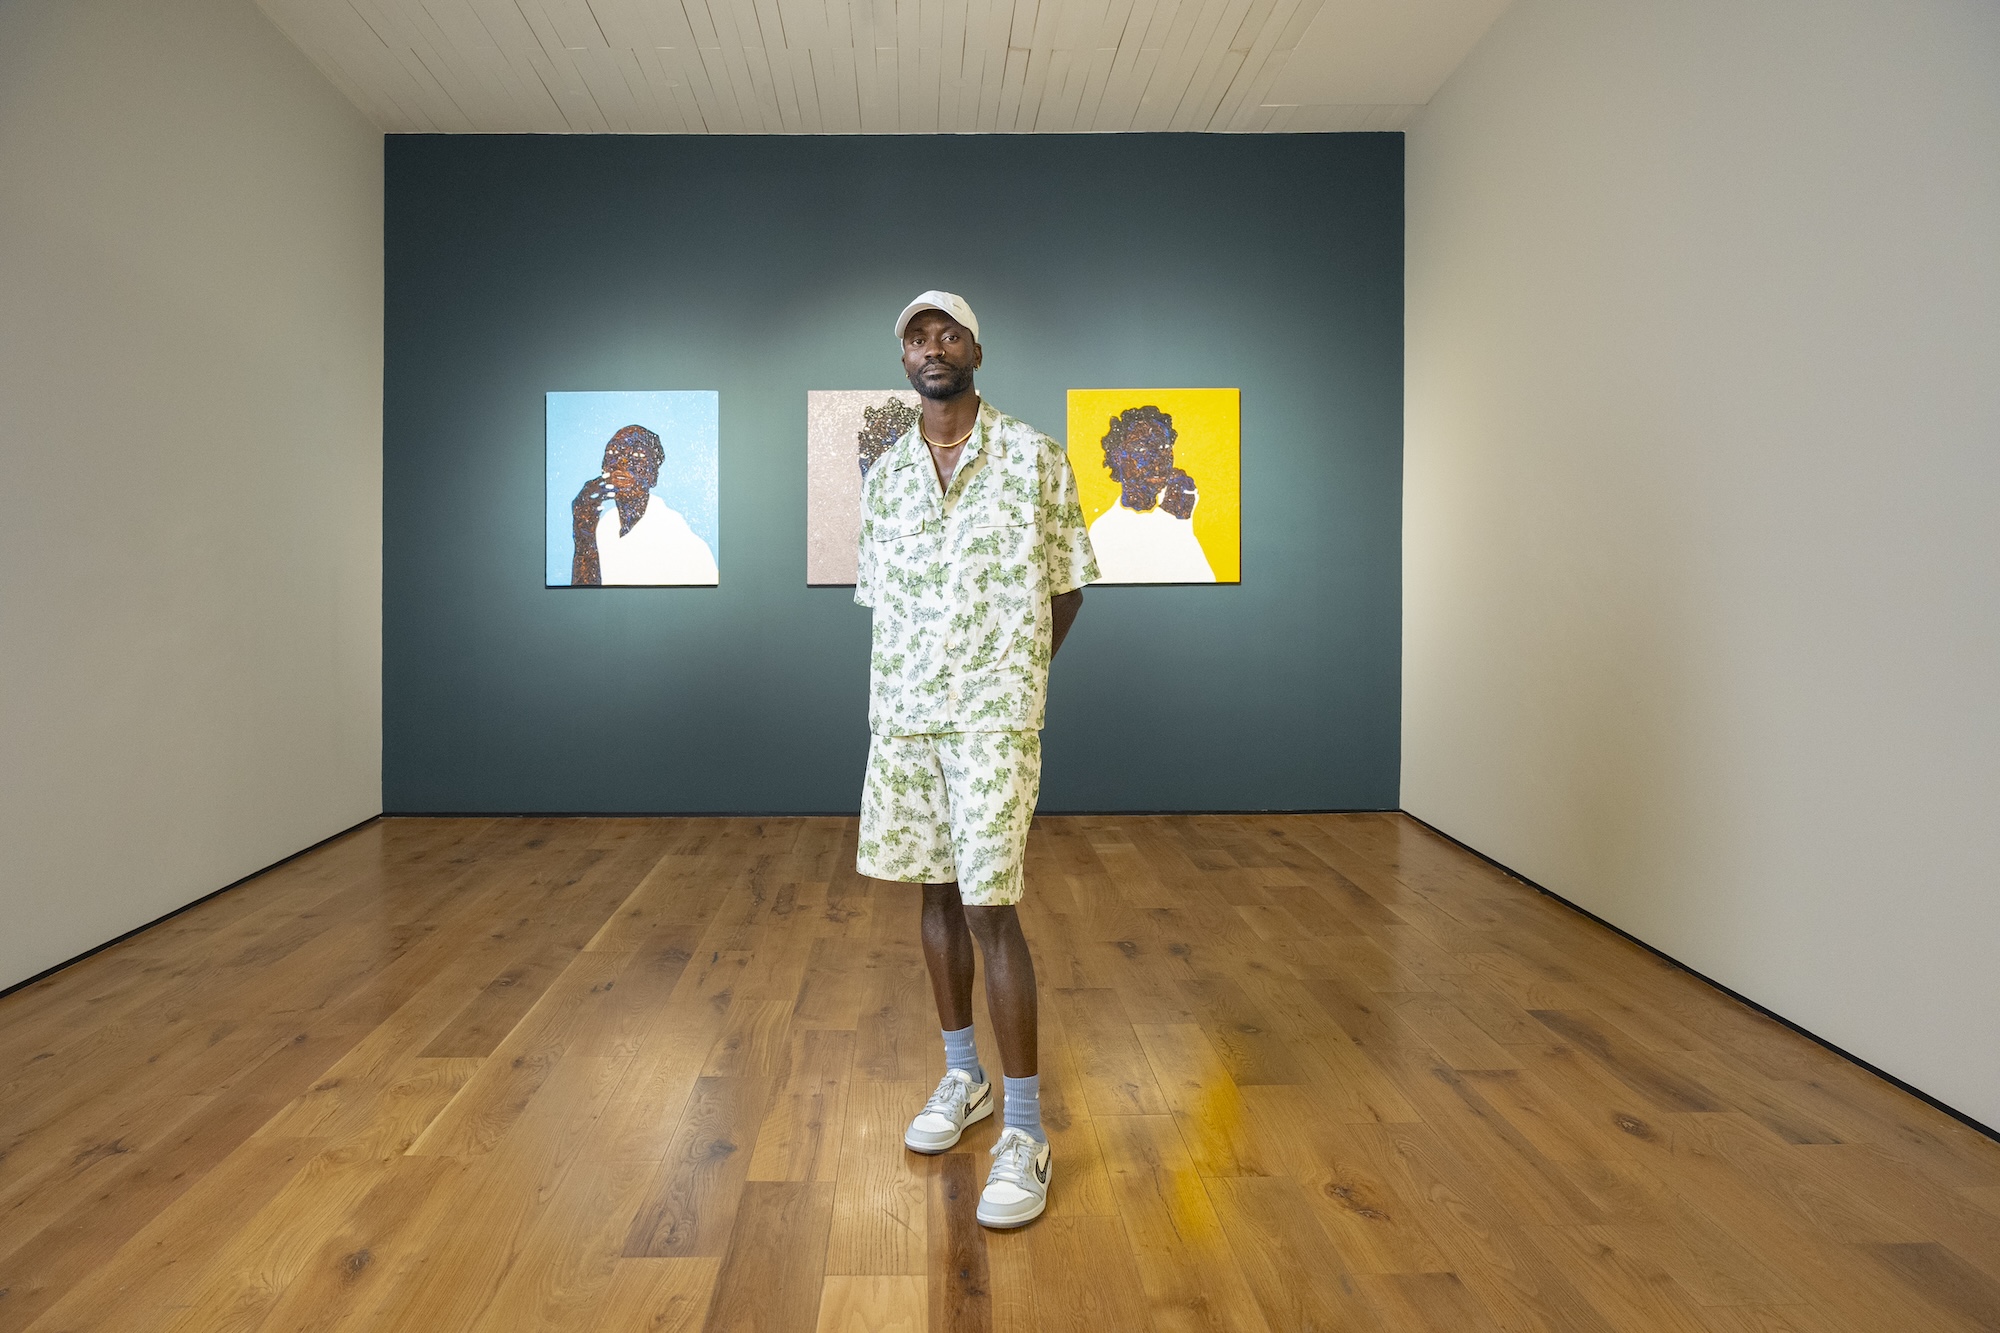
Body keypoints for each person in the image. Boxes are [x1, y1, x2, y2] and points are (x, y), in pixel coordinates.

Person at [853, 290, 1096, 1228]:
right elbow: (887, 602)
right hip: (907, 719)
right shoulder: (886, 478)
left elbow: (1066, 587)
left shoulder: (1034, 457)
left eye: (947, 332)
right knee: (933, 893)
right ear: (904, 359)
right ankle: (964, 1077)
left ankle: (1026, 1129)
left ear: (976, 350)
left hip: (994, 722)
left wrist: (1012, 672)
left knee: (991, 907)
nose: (932, 347)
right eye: (916, 337)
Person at [570, 424, 718, 585]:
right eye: (612, 453)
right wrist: (584, 525)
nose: (622, 461)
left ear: (653, 475)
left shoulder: (678, 539)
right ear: (603, 468)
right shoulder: (606, 526)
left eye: (637, 454)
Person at [1086, 404, 1216, 583]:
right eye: (1142, 449)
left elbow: (1204, 580)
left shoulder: (1184, 506)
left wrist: (1181, 521)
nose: (1157, 460)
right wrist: (1172, 522)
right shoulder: (1104, 531)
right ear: (1117, 457)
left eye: (1164, 447)